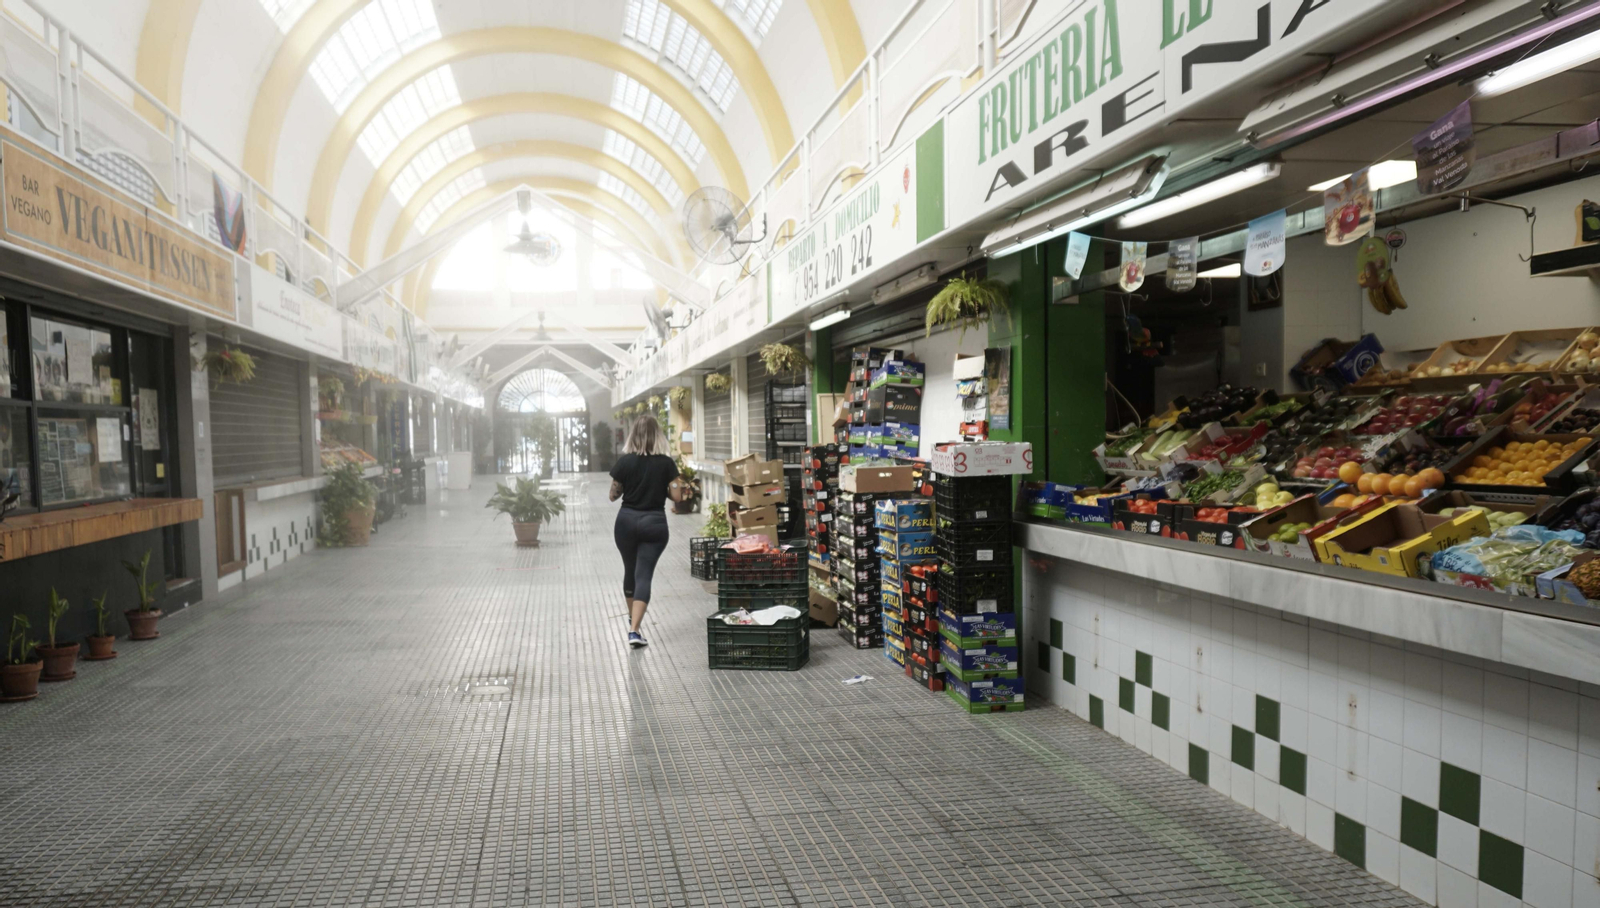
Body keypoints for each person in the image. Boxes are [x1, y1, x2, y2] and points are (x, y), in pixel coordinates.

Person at [609, 415, 690, 648]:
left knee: (629, 570)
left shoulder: (624, 462)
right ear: (658, 435)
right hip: (654, 523)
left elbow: (613, 496)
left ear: (633, 434)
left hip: (625, 523)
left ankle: (632, 619)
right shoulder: (666, 463)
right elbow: (677, 496)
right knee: (643, 574)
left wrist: (630, 485)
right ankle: (634, 630)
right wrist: (660, 487)